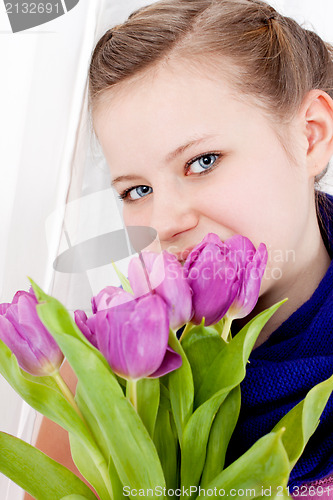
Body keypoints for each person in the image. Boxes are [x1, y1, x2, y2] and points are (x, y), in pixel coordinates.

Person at [27, 0, 333, 498]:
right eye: (136, 191)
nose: (165, 225)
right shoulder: (106, 371)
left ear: (309, 135)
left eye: (202, 161)